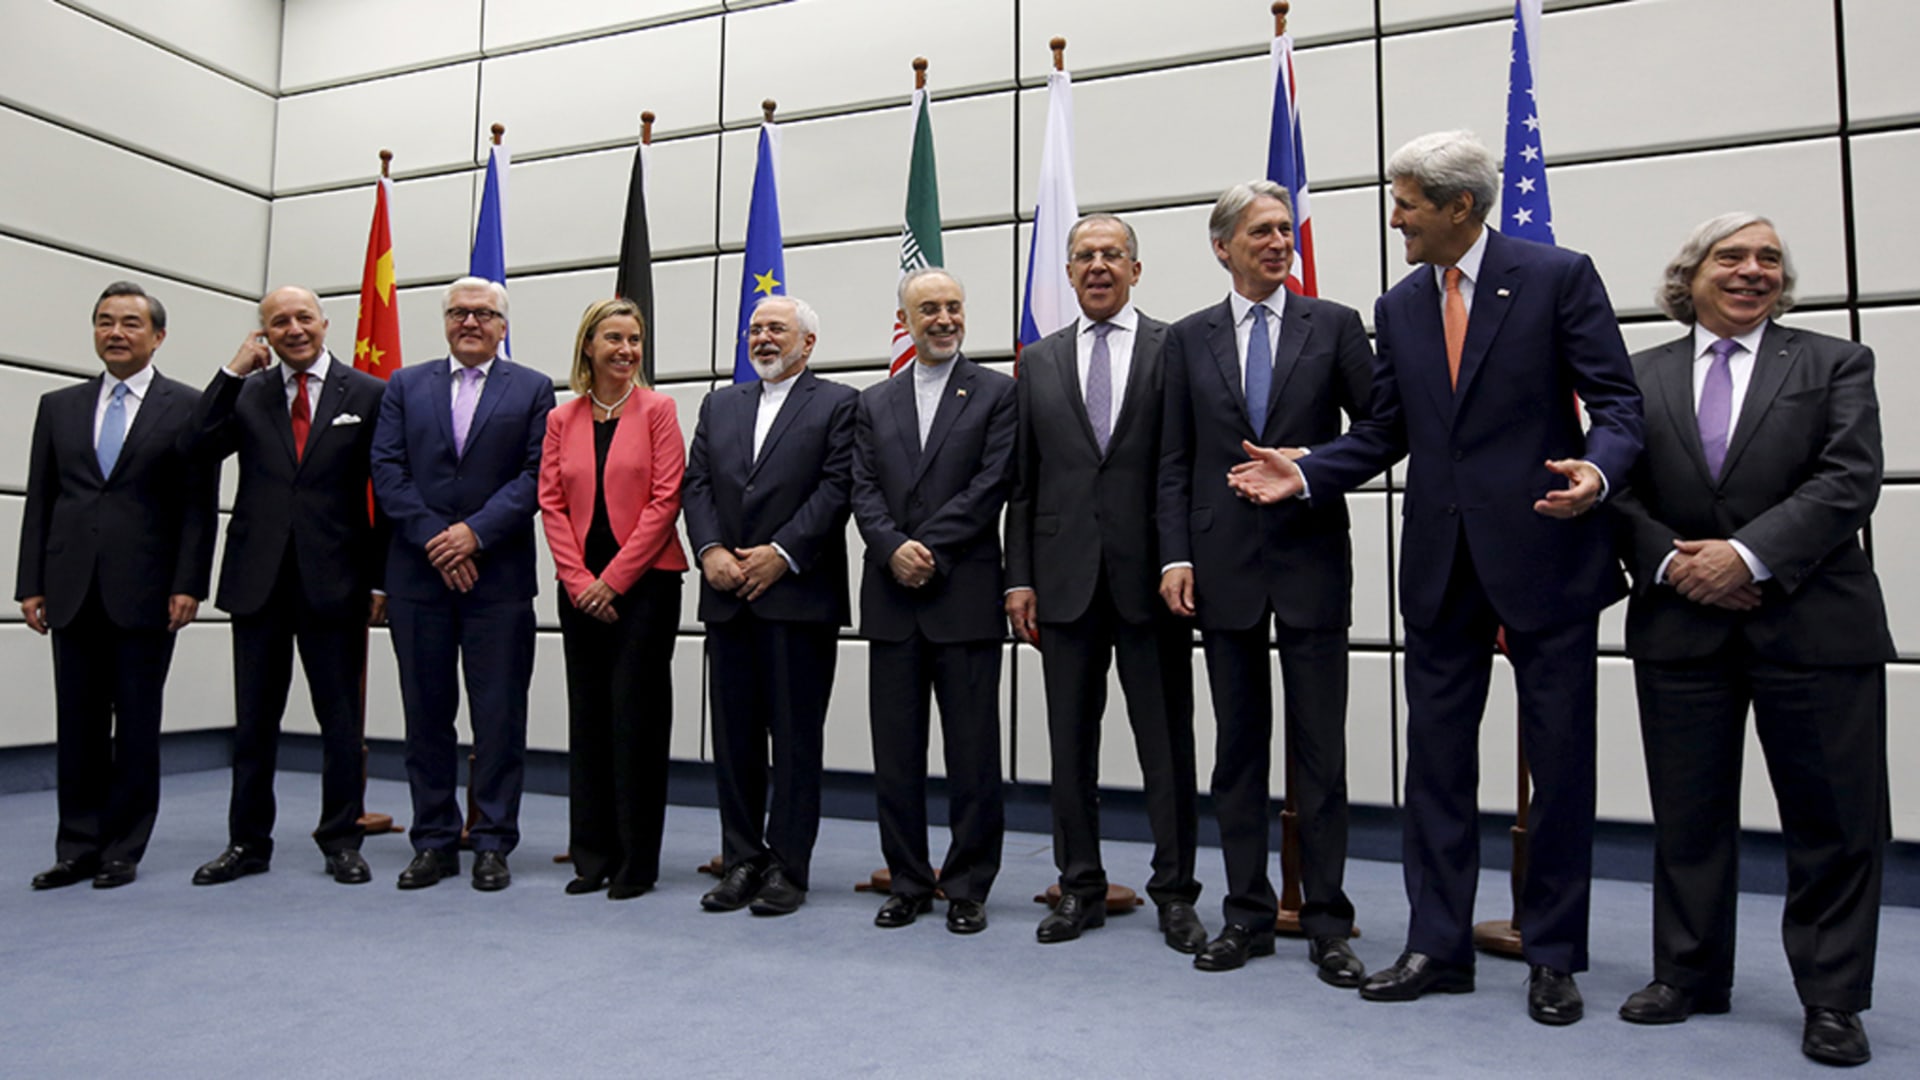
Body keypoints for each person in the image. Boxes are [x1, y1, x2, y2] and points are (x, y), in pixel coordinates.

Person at [1226, 131, 1643, 1024]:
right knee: (1438, 768)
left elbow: (1617, 404)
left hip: (1546, 549)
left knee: (1560, 765)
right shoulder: (1402, 303)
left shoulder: (1557, 276)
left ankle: (1553, 956)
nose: (1395, 219)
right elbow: (1388, 430)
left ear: (1460, 207)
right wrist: (1307, 472)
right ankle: (1437, 946)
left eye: (1407, 203)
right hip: (1440, 565)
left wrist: (1599, 472)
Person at [1610, 214, 1889, 1067]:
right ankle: (1688, 974)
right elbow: (1613, 490)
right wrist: (1674, 562)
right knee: (1687, 815)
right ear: (1689, 276)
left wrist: (1746, 556)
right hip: (1680, 623)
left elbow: (1850, 478)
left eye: (1769, 258)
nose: (1753, 270)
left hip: (1816, 623)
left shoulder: (1836, 362)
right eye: (1730, 256)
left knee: (1834, 822)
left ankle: (1833, 999)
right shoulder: (1636, 376)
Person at [1155, 184, 1373, 978]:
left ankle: (1327, 921)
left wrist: (1312, 466)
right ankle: (1245, 913)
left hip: (1311, 559)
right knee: (1238, 752)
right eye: (1261, 232)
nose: (1280, 243)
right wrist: (1175, 557)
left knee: (1321, 754)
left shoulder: (1335, 326)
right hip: (1222, 568)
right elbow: (1174, 460)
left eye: (1286, 230)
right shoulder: (1187, 338)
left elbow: (1380, 430)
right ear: (1223, 247)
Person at [1005, 214, 1204, 952]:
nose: (1097, 266)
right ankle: (1079, 887)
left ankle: (1176, 894)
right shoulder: (1039, 359)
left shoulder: (1173, 348)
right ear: (1067, 272)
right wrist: (1018, 580)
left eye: (1112, 255)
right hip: (1062, 583)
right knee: (1069, 749)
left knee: (1167, 748)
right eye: (1084, 255)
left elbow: (1183, 466)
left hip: (1152, 582)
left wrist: (1180, 558)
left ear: (1135, 270)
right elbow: (1023, 484)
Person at [184, 285, 389, 887]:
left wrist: (381, 580)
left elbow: (386, 494)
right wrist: (230, 372)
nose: (293, 329)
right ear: (264, 334)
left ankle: (341, 840)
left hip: (337, 581)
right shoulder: (247, 392)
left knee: (340, 723)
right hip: (258, 582)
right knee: (254, 722)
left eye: (303, 318)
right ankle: (247, 842)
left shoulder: (369, 393)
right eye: (278, 322)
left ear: (325, 323)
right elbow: (194, 447)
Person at [16, 281, 216, 890]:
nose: (116, 333)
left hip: (148, 591)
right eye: (105, 321)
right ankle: (77, 847)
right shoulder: (59, 406)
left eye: (131, 323)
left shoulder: (188, 407)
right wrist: (30, 583)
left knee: (135, 724)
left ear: (158, 336)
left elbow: (198, 507)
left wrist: (189, 583)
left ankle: (122, 848)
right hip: (70, 586)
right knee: (76, 723)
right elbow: (41, 499)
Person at [370, 276, 554, 892]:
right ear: (445, 321)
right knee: (426, 716)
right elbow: (387, 468)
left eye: (482, 313)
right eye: (458, 313)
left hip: (497, 581)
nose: (469, 322)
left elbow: (536, 474)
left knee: (499, 718)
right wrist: (438, 540)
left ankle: (493, 841)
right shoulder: (404, 385)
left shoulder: (532, 388)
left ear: (503, 326)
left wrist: (473, 534)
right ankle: (433, 841)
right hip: (418, 578)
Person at [851, 268, 1016, 935]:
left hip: (963, 596)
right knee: (896, 755)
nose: (944, 319)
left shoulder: (998, 392)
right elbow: (861, 489)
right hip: (892, 600)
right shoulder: (873, 402)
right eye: (929, 309)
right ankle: (909, 880)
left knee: (973, 754)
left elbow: (992, 484)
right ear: (905, 321)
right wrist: (893, 548)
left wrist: (927, 549)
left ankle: (969, 884)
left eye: (953, 307)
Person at [683, 295, 856, 917]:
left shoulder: (839, 403)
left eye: (776, 329)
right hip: (727, 595)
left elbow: (838, 487)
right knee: (733, 742)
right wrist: (709, 550)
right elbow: (696, 483)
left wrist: (782, 553)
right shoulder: (719, 403)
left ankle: (787, 866)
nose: (762, 338)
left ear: (808, 343)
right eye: (754, 329)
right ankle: (741, 860)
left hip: (798, 599)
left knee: (795, 741)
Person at [537, 297, 688, 900]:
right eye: (614, 339)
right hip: (579, 591)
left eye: (634, 340)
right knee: (590, 717)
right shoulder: (562, 418)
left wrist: (613, 580)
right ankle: (592, 855)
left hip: (645, 587)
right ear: (589, 346)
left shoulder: (659, 410)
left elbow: (666, 500)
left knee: (637, 720)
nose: (626, 350)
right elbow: (551, 503)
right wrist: (578, 582)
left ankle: (635, 862)